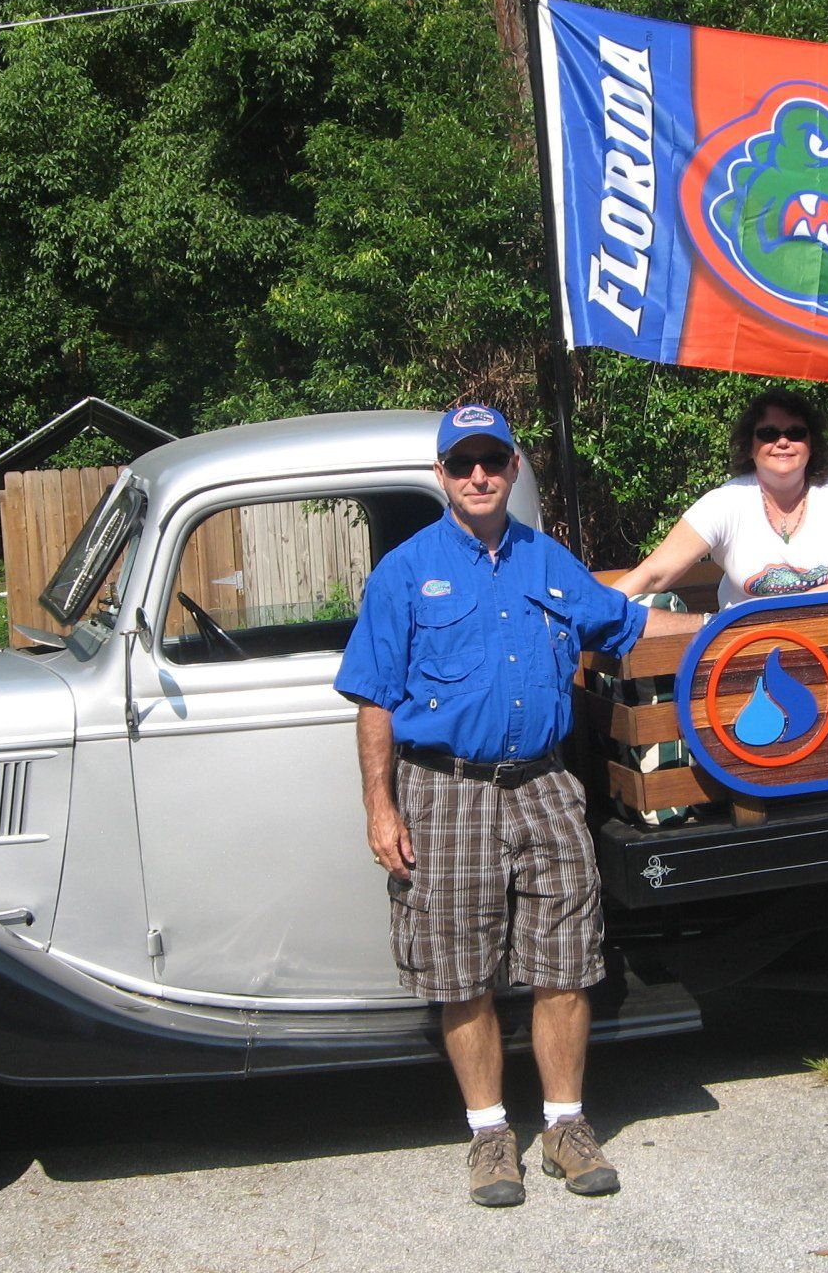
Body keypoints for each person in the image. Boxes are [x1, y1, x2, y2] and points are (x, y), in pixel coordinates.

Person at [334, 403, 702, 1207]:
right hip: (445, 791)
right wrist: (380, 807)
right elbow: (371, 700)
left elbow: (627, 618)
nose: (477, 476)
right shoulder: (404, 571)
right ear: (441, 475)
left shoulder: (547, 560)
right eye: (462, 463)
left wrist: (728, 623)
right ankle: (491, 1135)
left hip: (542, 785)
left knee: (564, 962)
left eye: (492, 462)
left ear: (511, 470)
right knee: (462, 973)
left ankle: (567, 1127)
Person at [611, 387, 828, 608]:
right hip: (740, 650)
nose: (783, 442)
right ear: (749, 446)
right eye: (768, 434)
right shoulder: (724, 503)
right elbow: (654, 574)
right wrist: (594, 611)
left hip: (825, 641)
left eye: (795, 433)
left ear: (812, 443)